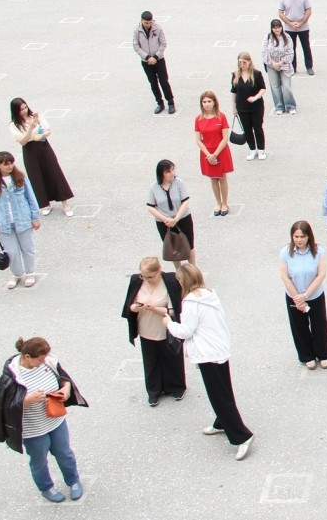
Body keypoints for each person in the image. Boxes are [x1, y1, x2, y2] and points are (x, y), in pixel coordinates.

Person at [165, 263, 254, 460]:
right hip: (219, 348)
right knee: (224, 391)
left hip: (208, 353)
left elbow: (185, 331)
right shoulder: (208, 294)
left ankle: (242, 436)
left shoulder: (190, 303)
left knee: (219, 396)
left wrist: (169, 324)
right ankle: (220, 423)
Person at [0, 336, 87, 503]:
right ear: (27, 357)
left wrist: (66, 389)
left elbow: (64, 379)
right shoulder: (12, 376)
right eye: (40, 359)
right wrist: (27, 400)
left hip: (55, 420)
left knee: (64, 453)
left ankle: (73, 481)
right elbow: (4, 407)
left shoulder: (48, 363)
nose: (43, 362)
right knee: (39, 460)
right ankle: (46, 487)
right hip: (32, 429)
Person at [122, 257, 186, 406]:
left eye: (150, 277)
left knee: (172, 358)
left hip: (165, 327)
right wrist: (135, 308)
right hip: (146, 328)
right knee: (150, 361)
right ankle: (153, 391)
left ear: (159, 271)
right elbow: (129, 306)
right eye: (143, 276)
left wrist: (154, 308)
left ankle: (176, 387)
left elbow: (174, 310)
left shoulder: (170, 280)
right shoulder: (136, 281)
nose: (146, 279)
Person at [8, 99, 74, 217]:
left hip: (43, 146)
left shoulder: (35, 117)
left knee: (54, 172)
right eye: (21, 109)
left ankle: (65, 203)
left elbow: (48, 130)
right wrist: (30, 128)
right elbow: (22, 141)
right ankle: (45, 204)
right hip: (29, 150)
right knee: (36, 176)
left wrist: (42, 134)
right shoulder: (14, 125)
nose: (24, 111)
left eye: (25, 107)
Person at [0, 151, 41, 289]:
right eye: (6, 164)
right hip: (3, 222)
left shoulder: (20, 177)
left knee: (27, 248)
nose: (9, 166)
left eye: (11, 163)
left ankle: (30, 273)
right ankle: (17, 274)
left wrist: (35, 217)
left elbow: (31, 197)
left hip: (23, 219)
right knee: (12, 251)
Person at [279, 221, 327, 368]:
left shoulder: (318, 251)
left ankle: (323, 354)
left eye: (302, 236)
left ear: (309, 236)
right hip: (294, 296)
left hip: (314, 295)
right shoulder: (285, 252)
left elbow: (321, 275)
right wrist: (298, 298)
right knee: (299, 327)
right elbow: (285, 276)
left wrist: (305, 296)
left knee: (319, 325)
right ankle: (306, 355)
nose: (299, 240)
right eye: (296, 236)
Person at [147, 159, 195, 267]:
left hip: (183, 218)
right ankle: (178, 271)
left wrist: (176, 219)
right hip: (164, 222)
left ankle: (193, 270)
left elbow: (185, 202)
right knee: (172, 247)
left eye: (173, 170)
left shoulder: (179, 183)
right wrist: (166, 219)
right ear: (161, 173)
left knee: (189, 245)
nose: (172, 173)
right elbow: (150, 207)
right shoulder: (154, 187)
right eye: (168, 171)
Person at [192, 91, 232, 217]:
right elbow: (198, 140)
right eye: (204, 102)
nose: (207, 104)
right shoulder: (198, 119)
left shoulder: (221, 117)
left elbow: (225, 138)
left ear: (214, 102)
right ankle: (218, 203)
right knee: (213, 178)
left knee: (222, 177)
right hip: (207, 152)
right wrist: (208, 155)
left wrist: (215, 154)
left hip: (220, 150)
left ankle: (225, 203)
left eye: (209, 101)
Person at [134, 11, 176, 114]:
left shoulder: (158, 28)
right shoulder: (137, 30)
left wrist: (156, 57)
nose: (148, 24)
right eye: (146, 23)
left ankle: (171, 102)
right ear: (142, 21)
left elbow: (163, 44)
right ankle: (160, 103)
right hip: (146, 62)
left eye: (150, 22)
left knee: (164, 81)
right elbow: (136, 46)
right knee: (153, 83)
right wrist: (147, 57)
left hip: (159, 60)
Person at [229, 52, 267, 161]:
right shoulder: (235, 75)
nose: (242, 64)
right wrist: (234, 107)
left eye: (244, 62)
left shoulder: (256, 74)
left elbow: (262, 88)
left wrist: (256, 97)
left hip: (256, 107)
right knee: (247, 129)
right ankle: (252, 149)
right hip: (242, 107)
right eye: (240, 62)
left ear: (249, 61)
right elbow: (234, 91)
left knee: (257, 127)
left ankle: (261, 149)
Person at [277, 0, 312, 75]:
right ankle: (293, 67)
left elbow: (308, 11)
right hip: (289, 28)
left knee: (306, 47)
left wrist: (301, 23)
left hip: (303, 27)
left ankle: (309, 67)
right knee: (291, 48)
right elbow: (280, 13)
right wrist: (290, 23)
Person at [261, 19, 297, 115]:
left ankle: (290, 106)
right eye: (275, 28)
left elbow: (290, 52)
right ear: (272, 28)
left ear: (282, 27)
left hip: (284, 65)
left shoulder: (287, 37)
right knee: (275, 86)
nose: (277, 30)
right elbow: (264, 52)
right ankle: (279, 106)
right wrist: (273, 63)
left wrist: (280, 63)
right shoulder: (267, 38)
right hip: (271, 65)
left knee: (286, 86)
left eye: (279, 27)